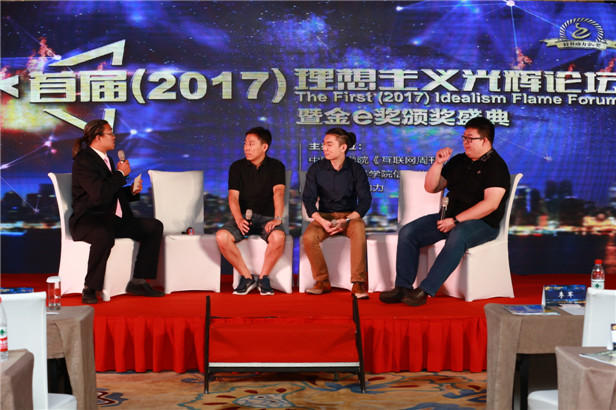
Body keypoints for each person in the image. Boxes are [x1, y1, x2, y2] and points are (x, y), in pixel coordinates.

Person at [380, 117, 510, 307]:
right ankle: (403, 287)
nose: (465, 142)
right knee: (408, 232)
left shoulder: (497, 166)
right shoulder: (459, 160)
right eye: (464, 137)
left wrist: (455, 221)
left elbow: (490, 204)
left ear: (485, 140)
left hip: (481, 224)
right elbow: (431, 187)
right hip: (448, 218)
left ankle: (425, 290)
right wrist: (438, 163)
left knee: (459, 234)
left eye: (470, 138)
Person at [70, 119, 164, 304]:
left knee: (153, 227)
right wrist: (120, 174)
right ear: (98, 137)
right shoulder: (84, 160)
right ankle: (90, 287)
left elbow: (110, 192)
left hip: (111, 219)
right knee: (103, 235)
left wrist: (131, 191)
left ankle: (138, 281)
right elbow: (98, 194)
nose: (114, 137)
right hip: (89, 220)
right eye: (110, 133)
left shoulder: (108, 160)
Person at [302, 128, 372, 299]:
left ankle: (357, 282)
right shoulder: (316, 169)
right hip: (324, 216)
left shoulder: (356, 169)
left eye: (329, 144)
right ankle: (322, 281)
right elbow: (308, 200)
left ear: (343, 147)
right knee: (309, 237)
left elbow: (365, 200)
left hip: (349, 216)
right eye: (323, 144)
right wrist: (322, 221)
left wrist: (346, 220)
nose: (324, 148)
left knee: (359, 229)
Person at [216, 127, 286, 296]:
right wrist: (238, 219)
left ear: (264, 147)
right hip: (243, 217)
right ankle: (247, 277)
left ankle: (263, 278)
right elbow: (233, 197)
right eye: (245, 143)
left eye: (251, 144)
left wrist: (277, 218)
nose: (246, 147)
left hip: (267, 218)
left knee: (278, 237)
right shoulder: (237, 167)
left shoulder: (276, 166)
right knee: (222, 236)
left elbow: (278, 193)